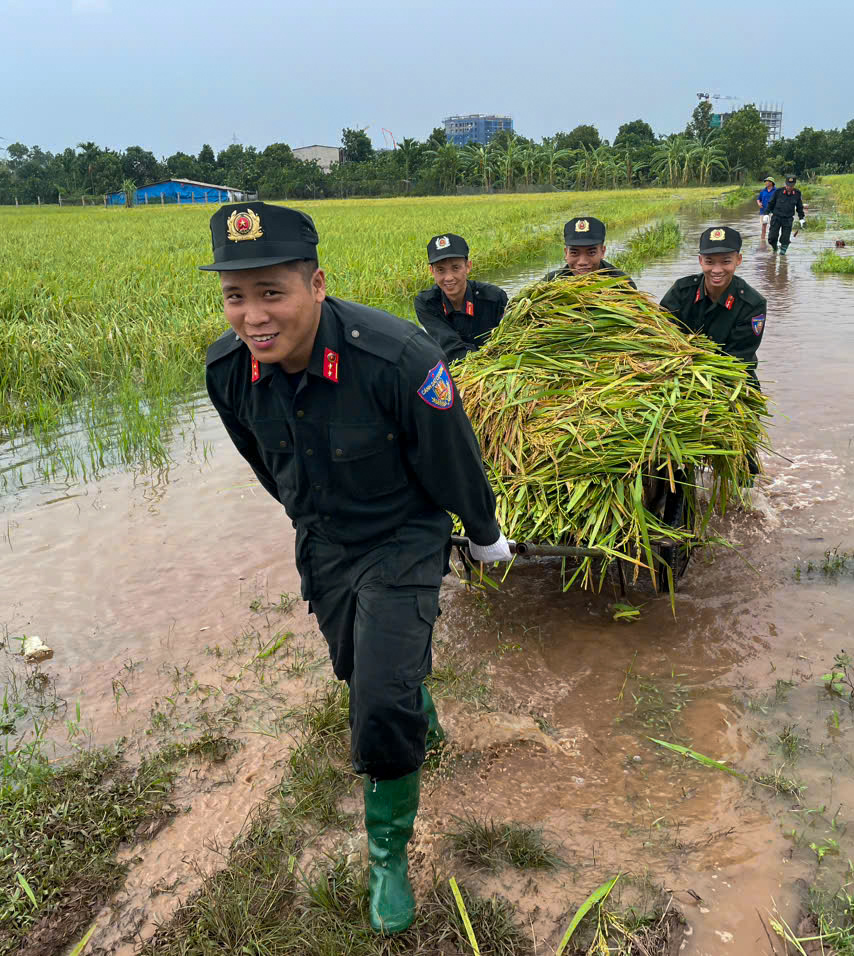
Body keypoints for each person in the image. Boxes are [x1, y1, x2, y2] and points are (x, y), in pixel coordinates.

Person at [200, 202, 512, 936]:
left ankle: (387, 858)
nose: (253, 317)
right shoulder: (229, 373)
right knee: (359, 670)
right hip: (326, 542)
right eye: (235, 297)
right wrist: (313, 520)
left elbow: (452, 457)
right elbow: (266, 465)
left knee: (374, 704)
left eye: (272, 292)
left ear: (316, 285)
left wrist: (484, 531)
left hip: (403, 535)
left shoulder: (398, 358)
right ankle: (418, 710)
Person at [659, 226, 766, 389]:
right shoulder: (681, 292)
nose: (717, 270)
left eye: (726, 261)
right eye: (709, 262)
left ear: (739, 260)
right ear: (700, 260)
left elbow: (737, 360)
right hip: (680, 374)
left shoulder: (752, 304)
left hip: (733, 381)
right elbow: (662, 335)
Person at [413, 233, 508, 363]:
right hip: (459, 369)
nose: (449, 277)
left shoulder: (495, 297)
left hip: (496, 365)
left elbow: (508, 340)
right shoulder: (426, 303)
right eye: (440, 270)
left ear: (468, 266)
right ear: (431, 271)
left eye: (455, 268)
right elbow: (449, 346)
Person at [543, 216, 637, 286]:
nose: (582, 262)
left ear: (602, 252)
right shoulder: (549, 284)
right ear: (566, 253)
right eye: (574, 253)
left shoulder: (622, 284)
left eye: (591, 253)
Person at [762, 175, 805, 255]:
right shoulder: (778, 192)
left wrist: (801, 218)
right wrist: (766, 214)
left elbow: (799, 207)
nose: (789, 187)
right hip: (776, 218)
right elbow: (771, 203)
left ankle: (782, 257)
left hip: (788, 219)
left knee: (785, 239)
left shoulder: (797, 193)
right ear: (785, 184)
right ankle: (775, 249)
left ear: (794, 185)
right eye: (788, 185)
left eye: (791, 185)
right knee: (772, 238)